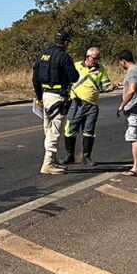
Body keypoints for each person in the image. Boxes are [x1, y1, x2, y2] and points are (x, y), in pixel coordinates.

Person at [59, 47, 117, 168]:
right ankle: (70, 155)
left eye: (98, 58)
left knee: (89, 131)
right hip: (76, 103)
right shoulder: (75, 66)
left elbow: (104, 85)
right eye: (94, 58)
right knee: (70, 130)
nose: (96, 60)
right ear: (87, 57)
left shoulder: (101, 70)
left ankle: (86, 157)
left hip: (92, 105)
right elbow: (65, 80)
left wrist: (109, 87)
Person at [32, 31, 79, 175]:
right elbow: (74, 77)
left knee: (48, 127)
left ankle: (52, 159)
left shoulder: (44, 55)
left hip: (46, 95)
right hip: (58, 96)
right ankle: (47, 163)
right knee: (54, 130)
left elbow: (35, 79)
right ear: (65, 42)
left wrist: (39, 97)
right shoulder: (63, 56)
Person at [117, 50, 137, 177]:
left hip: (134, 108)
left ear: (123, 61)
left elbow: (132, 89)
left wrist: (122, 105)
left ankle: (136, 168)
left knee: (133, 137)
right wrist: (121, 85)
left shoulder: (132, 71)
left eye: (120, 63)